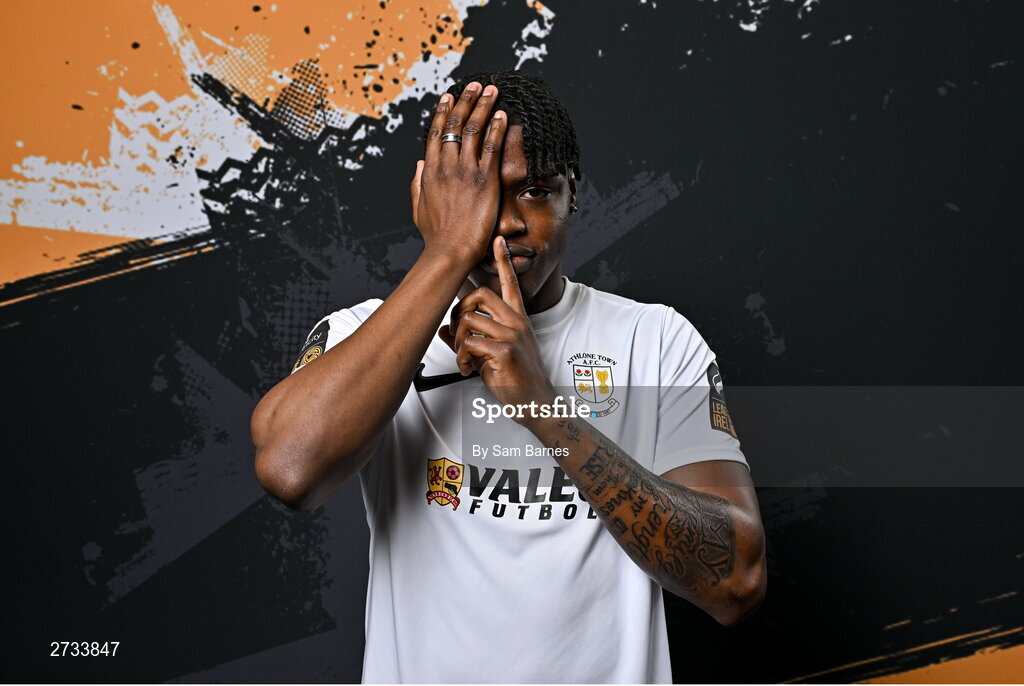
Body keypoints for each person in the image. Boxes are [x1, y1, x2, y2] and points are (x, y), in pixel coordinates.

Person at [250, 70, 766, 684]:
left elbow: (735, 578)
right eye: (479, 195)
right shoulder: (361, 338)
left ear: (574, 193)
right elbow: (289, 469)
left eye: (535, 191)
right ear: (429, 196)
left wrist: (543, 405)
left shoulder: (655, 342)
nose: (506, 222)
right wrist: (446, 254)